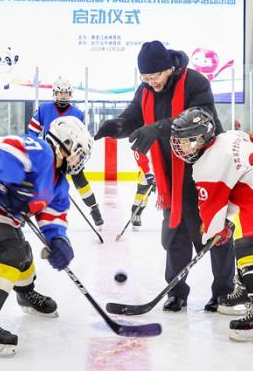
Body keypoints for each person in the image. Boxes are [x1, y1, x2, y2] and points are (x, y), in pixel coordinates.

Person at [94, 40, 235, 312]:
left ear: (169, 67)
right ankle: (176, 291)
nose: (151, 82)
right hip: (171, 177)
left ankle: (224, 291)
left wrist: (157, 128)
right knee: (175, 235)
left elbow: (199, 119)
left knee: (214, 233)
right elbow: (133, 117)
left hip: (204, 171)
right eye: (145, 78)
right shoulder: (145, 90)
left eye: (155, 76)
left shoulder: (195, 83)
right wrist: (118, 125)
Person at [0, 116, 92, 356]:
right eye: (79, 153)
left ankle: (26, 294)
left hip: (1, 210)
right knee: (12, 253)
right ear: (65, 144)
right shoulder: (43, 151)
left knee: (23, 251)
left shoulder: (60, 185)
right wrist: (14, 181)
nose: (81, 160)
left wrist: (59, 242)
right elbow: (11, 145)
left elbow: (53, 218)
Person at [169, 107, 253, 342]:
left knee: (247, 252)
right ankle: (242, 295)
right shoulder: (230, 135)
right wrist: (227, 224)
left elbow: (211, 210)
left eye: (187, 141)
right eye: (178, 141)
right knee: (241, 240)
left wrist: (212, 233)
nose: (182, 147)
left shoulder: (207, 165)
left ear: (203, 137)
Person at [27, 78, 104, 228]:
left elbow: (82, 139)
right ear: (55, 93)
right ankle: (30, 210)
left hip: (71, 156)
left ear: (70, 94)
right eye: (60, 93)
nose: (63, 96)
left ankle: (94, 209)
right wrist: (36, 151)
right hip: (50, 156)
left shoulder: (78, 114)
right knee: (43, 183)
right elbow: (32, 132)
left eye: (66, 93)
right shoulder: (44, 109)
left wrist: (77, 157)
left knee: (81, 182)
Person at [130, 151, 155, 231]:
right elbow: (138, 154)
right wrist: (148, 173)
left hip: (157, 170)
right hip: (145, 173)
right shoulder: (140, 141)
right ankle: (136, 213)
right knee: (143, 195)